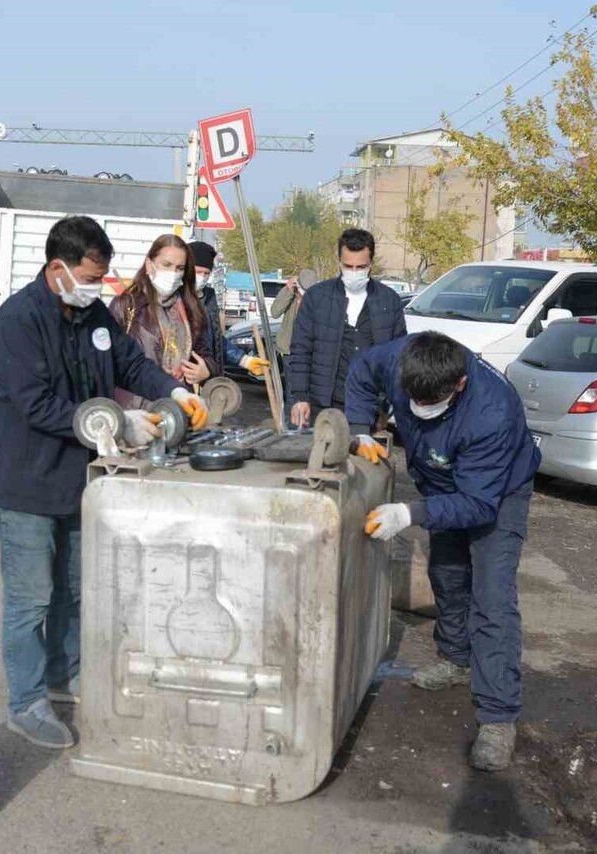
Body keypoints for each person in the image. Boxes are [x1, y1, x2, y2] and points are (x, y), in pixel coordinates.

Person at [0, 216, 209, 750]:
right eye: (88, 277)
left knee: (76, 591)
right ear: (56, 269)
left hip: (79, 480)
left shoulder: (94, 317)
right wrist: (113, 424)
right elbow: (36, 404)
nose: (96, 288)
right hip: (25, 482)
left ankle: (67, 675)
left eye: (102, 278)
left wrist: (171, 394)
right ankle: (28, 701)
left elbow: (129, 362)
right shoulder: (18, 322)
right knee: (31, 599)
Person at [348, 331, 540, 772]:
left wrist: (409, 513)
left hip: (496, 493)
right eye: (411, 401)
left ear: (459, 386)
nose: (418, 411)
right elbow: (361, 372)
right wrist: (359, 429)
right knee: (448, 573)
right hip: (441, 479)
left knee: (492, 598)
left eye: (430, 404)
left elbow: (476, 504)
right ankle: (455, 658)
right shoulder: (403, 356)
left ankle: (497, 717)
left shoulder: (492, 414)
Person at [288, 228, 405, 429]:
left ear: (371, 264)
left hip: (367, 408)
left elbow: (399, 358)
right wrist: (300, 397)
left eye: (360, 267)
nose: (353, 272)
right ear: (339, 262)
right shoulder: (317, 298)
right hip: (321, 406)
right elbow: (300, 351)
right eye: (348, 266)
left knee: (361, 459)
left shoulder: (389, 301)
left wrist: (389, 404)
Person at [109, 235, 220, 408]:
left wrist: (206, 369)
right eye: (166, 265)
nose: (173, 273)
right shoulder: (127, 305)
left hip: (178, 408)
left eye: (179, 268)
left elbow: (204, 352)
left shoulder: (191, 308)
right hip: (134, 410)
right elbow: (108, 362)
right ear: (149, 265)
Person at [188, 240, 269, 379]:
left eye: (206, 273)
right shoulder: (174, 299)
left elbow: (216, 341)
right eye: (198, 272)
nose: (201, 277)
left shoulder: (208, 298)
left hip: (206, 379)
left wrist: (245, 360)